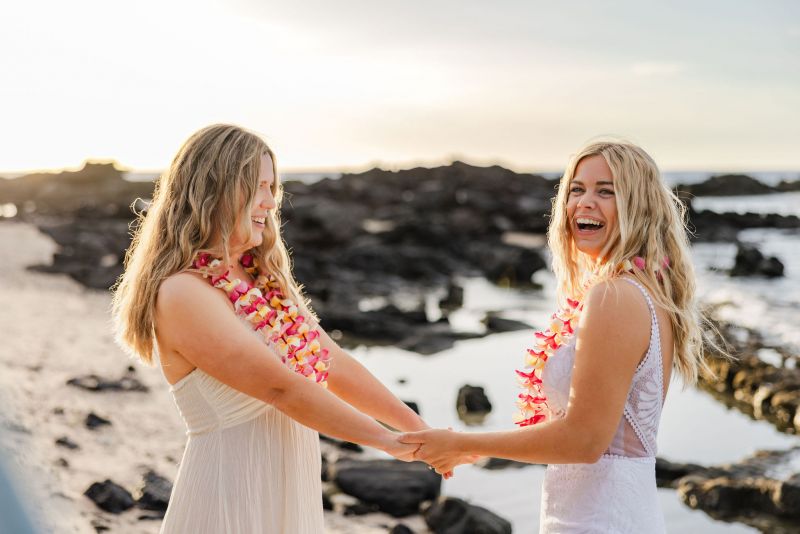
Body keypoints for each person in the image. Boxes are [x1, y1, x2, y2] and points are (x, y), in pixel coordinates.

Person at [111, 124, 423, 533]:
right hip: (230, 494)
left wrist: (417, 429)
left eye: (272, 187)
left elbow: (328, 360)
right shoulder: (183, 291)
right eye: (257, 187)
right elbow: (281, 388)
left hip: (287, 490)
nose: (269, 202)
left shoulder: (264, 278)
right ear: (215, 190)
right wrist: (385, 442)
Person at [401, 140, 711, 533]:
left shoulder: (616, 295)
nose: (584, 202)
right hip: (609, 511)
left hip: (601, 520)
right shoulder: (644, 290)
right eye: (576, 189)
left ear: (639, 205)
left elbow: (583, 441)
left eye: (606, 191)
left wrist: (465, 444)